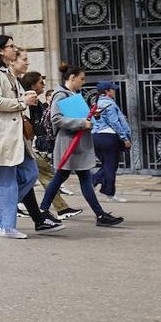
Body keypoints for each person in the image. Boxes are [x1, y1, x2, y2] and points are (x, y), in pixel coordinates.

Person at [0, 35, 61, 239]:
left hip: (15, 135)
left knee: (30, 172)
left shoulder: (8, 74)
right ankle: (4, 225)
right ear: (0, 50)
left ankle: (1, 212)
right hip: (1, 133)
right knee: (6, 179)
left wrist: (26, 100)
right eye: (11, 46)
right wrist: (22, 102)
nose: (15, 49)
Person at [38, 64, 124, 227]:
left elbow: (81, 117)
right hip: (69, 144)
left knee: (73, 178)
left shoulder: (72, 93)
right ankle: (43, 211)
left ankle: (99, 215)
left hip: (77, 144)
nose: (83, 82)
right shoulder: (61, 95)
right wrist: (81, 123)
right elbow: (56, 119)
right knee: (64, 178)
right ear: (72, 78)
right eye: (81, 79)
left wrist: (93, 116)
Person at [20, 67, 76, 219]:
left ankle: (56, 208)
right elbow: (36, 124)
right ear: (32, 85)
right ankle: (53, 210)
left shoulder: (38, 102)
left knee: (39, 177)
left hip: (33, 144)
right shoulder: (30, 101)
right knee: (45, 176)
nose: (43, 84)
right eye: (40, 82)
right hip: (31, 145)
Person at [90, 81, 132, 203]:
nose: (115, 91)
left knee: (107, 165)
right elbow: (114, 122)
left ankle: (99, 184)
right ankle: (106, 190)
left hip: (96, 137)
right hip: (109, 137)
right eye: (113, 90)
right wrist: (124, 138)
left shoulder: (96, 104)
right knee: (110, 165)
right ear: (107, 91)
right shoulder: (110, 105)